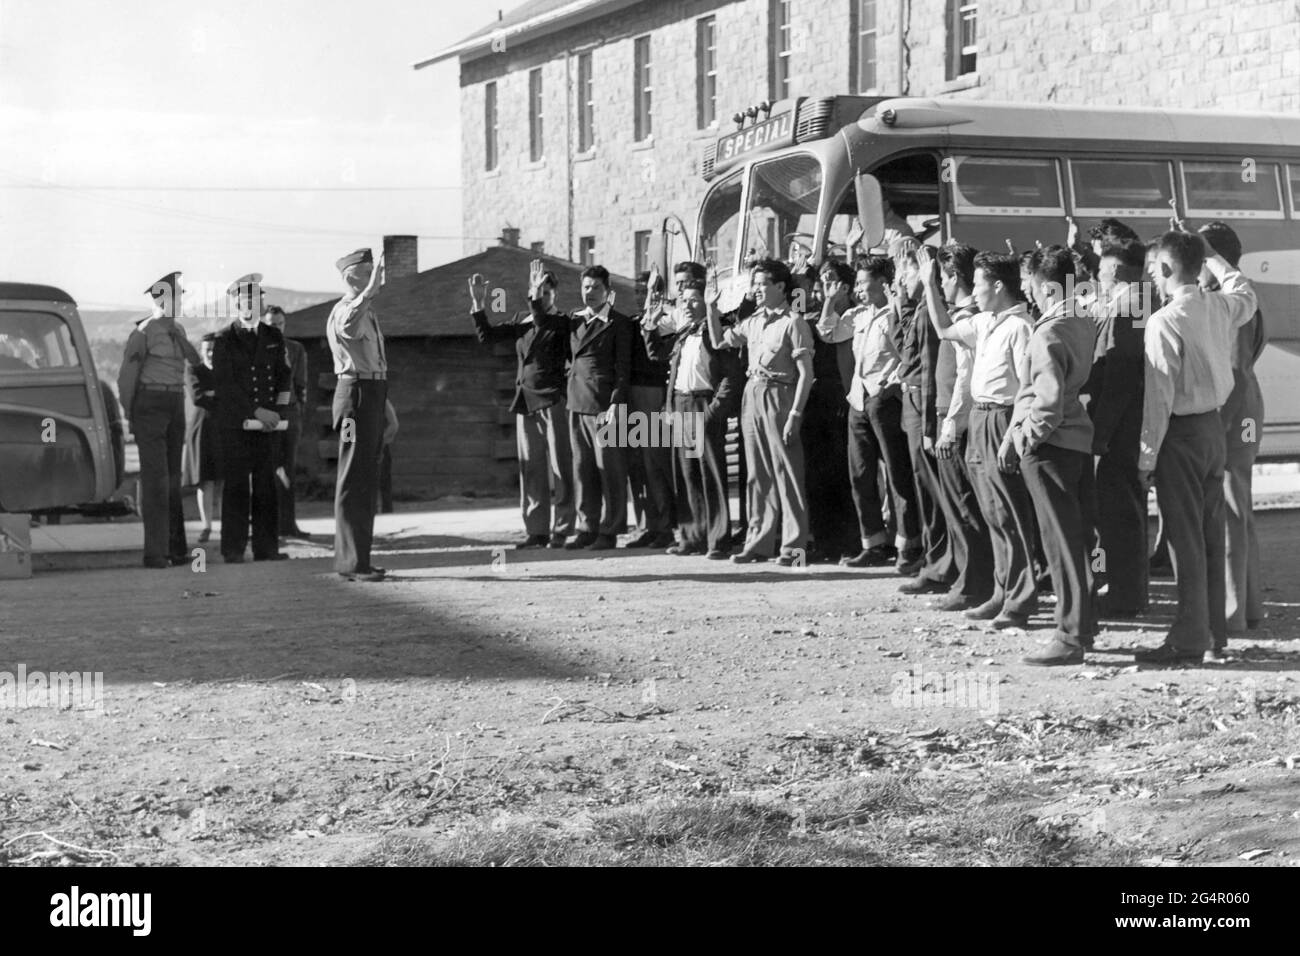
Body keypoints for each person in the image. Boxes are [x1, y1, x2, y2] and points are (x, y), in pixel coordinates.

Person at [1136, 230, 1257, 664]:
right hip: (1213, 430)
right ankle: (1212, 632)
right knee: (1209, 533)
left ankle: (1188, 639)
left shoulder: (1164, 321)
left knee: (1183, 542)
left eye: (1153, 269)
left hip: (1180, 436)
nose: (1151, 276)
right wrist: (1214, 257)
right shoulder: (1219, 306)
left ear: (1167, 269)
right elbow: (1245, 290)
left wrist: (1145, 458)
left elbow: (1159, 399)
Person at [927, 252, 1038, 629]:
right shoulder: (985, 322)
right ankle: (1000, 592)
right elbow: (943, 329)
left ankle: (1020, 600)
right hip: (979, 417)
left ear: (997, 286)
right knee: (991, 512)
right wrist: (929, 285)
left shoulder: (1020, 327)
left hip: (1002, 419)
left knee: (1011, 514)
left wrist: (1012, 436)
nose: (972, 291)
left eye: (977, 284)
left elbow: (1028, 388)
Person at [1000, 246, 1098, 665]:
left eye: (1029, 286)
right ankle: (1082, 627)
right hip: (1075, 443)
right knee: (1075, 540)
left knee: (1059, 544)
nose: (1027, 293)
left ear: (1046, 286)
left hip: (1050, 447)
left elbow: (1047, 400)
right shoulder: (1081, 321)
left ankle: (1070, 636)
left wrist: (1025, 439)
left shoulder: (1048, 332)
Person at [706, 258, 813, 566]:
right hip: (752, 394)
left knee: (788, 473)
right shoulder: (753, 321)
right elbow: (718, 341)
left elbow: (806, 373)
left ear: (781, 287)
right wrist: (712, 311)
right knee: (757, 475)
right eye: (755, 284)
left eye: (763, 283)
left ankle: (795, 550)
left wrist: (795, 414)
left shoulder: (794, 322)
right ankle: (757, 542)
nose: (757, 289)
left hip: (781, 395)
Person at [470, 259, 574, 548]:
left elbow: (542, 318)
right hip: (526, 401)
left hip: (554, 400)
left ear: (555, 296)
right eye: (539, 292)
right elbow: (487, 336)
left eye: (547, 293)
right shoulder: (521, 321)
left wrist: (535, 296)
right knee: (532, 469)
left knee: (561, 468)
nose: (542, 297)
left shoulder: (562, 323)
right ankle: (537, 531)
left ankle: (564, 529)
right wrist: (479, 305)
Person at [1198, 222, 1267, 636]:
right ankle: (1247, 606)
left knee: (1227, 509)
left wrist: (1217, 429)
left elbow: (1237, 371)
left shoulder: (1230, 304)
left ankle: (1232, 613)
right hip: (1242, 409)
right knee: (1238, 509)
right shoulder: (1235, 298)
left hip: (1234, 412)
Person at [645, 277, 742, 558]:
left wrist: (713, 411)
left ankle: (717, 540)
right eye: (682, 301)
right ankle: (691, 537)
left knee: (709, 473)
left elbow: (729, 378)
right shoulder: (684, 333)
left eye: (693, 300)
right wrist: (650, 327)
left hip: (703, 405)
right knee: (687, 474)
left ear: (708, 301)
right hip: (680, 404)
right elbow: (657, 356)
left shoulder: (717, 334)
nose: (686, 306)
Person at [922, 243, 994, 611]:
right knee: (956, 506)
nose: (942, 285)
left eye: (944, 278)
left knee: (966, 506)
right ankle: (967, 579)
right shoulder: (961, 317)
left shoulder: (968, 320)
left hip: (958, 418)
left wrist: (951, 424)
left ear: (956, 278)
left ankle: (974, 585)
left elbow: (966, 378)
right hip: (946, 413)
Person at [838, 257, 916, 569]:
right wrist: (833, 299)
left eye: (862, 283)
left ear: (883, 283)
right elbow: (827, 331)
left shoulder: (895, 314)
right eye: (856, 284)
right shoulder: (858, 317)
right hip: (859, 400)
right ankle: (873, 543)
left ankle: (909, 543)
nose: (858, 289)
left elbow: (906, 356)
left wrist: (890, 384)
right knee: (861, 474)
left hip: (884, 400)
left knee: (897, 474)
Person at [117, 271, 199, 568]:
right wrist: (130, 413)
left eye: (181, 296)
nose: (180, 302)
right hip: (150, 404)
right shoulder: (144, 332)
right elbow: (127, 377)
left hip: (175, 402)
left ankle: (176, 550)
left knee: (174, 480)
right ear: (161, 299)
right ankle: (155, 553)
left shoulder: (179, 330)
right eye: (176, 297)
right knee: (155, 481)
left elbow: (192, 365)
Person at [1085, 238, 1150, 617]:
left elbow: (1120, 378)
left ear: (1115, 271)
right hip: (1125, 429)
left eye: (1099, 272)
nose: (1097, 279)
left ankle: (1125, 597)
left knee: (1119, 514)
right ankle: (1129, 592)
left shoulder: (1127, 307)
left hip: (1119, 432)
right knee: (1125, 513)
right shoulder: (1134, 302)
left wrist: (1101, 434)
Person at [212, 273, 292, 564]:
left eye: (254, 299)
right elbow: (225, 385)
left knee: (266, 486)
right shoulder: (224, 339)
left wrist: (278, 413)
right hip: (236, 425)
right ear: (234, 304)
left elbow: (284, 377)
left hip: (269, 425)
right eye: (242, 300)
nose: (249, 305)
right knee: (235, 487)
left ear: (261, 303)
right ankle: (233, 549)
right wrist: (256, 411)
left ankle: (266, 548)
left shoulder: (273, 336)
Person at [894, 239, 956, 592]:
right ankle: (935, 561)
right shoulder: (918, 308)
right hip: (912, 405)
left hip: (923, 406)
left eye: (908, 270)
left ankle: (941, 566)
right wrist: (901, 299)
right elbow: (903, 347)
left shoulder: (934, 310)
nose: (902, 278)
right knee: (923, 490)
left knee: (934, 493)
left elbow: (933, 368)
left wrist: (931, 424)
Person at [328, 249, 388, 580]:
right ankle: (351, 563)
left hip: (371, 394)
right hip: (354, 399)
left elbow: (373, 364)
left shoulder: (366, 310)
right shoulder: (346, 311)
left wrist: (386, 407)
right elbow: (350, 326)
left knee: (365, 479)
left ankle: (358, 559)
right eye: (368, 272)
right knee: (353, 477)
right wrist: (367, 293)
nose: (376, 278)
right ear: (351, 277)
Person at [565, 265, 632, 550]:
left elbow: (623, 369)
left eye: (595, 288)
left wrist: (616, 402)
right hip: (577, 403)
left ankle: (611, 529)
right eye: (586, 287)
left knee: (610, 470)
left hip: (605, 407)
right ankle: (587, 527)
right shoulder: (574, 321)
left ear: (608, 292)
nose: (589, 293)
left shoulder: (619, 324)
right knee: (583, 470)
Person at [800, 260, 859, 563]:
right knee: (817, 474)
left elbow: (828, 332)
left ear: (846, 286)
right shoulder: (812, 315)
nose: (825, 285)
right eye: (822, 280)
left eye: (831, 279)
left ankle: (851, 540)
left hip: (845, 396)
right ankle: (824, 540)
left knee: (844, 473)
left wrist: (831, 302)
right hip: (818, 397)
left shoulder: (853, 315)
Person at [624, 270, 677, 549]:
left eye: (647, 291)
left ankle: (666, 525)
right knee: (637, 466)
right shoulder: (631, 324)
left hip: (653, 395)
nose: (640, 296)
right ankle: (646, 524)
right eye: (637, 291)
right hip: (630, 397)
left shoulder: (667, 324)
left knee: (656, 463)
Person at [262, 305, 310, 540]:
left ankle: (289, 525)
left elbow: (301, 385)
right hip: (266, 415)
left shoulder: (295, 349)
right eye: (271, 324)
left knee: (287, 469)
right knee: (266, 468)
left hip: (290, 414)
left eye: (280, 324)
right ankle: (266, 526)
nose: (276, 328)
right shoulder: (258, 347)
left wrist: (297, 411)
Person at [182, 332, 223, 544]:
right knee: (205, 481)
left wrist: (213, 394)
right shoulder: (193, 369)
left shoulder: (227, 371)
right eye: (206, 349)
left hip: (225, 429)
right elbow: (198, 397)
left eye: (214, 349)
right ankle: (206, 526)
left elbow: (234, 395)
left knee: (224, 480)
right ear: (201, 350)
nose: (210, 353)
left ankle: (226, 525)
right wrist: (219, 395)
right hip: (202, 430)